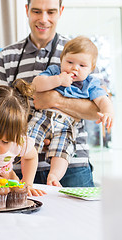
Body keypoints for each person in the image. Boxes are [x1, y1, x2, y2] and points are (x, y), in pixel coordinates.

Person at [0, 0, 106, 187]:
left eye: (51, 12)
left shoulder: (79, 54)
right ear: (26, 10)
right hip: (21, 166)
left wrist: (55, 100)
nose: (43, 19)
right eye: (36, 11)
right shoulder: (8, 55)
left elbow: (97, 111)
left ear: (61, 12)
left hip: (72, 166)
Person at [29, 36, 114, 186]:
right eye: (70, 62)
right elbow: (36, 84)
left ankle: (54, 176)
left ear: (91, 68)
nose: (75, 68)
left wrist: (108, 112)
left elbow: (103, 100)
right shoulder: (54, 71)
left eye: (82, 65)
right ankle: (27, 177)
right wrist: (57, 81)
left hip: (67, 125)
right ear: (62, 60)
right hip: (43, 117)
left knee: (63, 150)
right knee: (29, 142)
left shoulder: (90, 83)